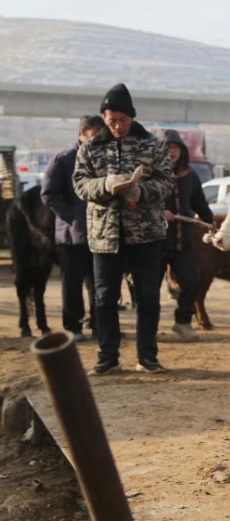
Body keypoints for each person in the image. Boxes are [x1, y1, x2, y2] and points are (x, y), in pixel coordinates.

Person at [73, 83, 175, 374]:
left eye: (122, 120)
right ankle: (107, 357)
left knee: (147, 297)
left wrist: (141, 192)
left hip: (146, 234)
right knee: (104, 298)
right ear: (104, 119)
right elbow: (79, 184)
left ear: (131, 117)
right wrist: (104, 185)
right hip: (106, 236)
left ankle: (147, 356)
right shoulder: (90, 148)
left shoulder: (152, 145)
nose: (117, 126)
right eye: (111, 120)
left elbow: (167, 181)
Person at [40, 114, 106, 341]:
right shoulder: (64, 160)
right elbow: (48, 194)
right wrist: (73, 216)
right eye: (93, 134)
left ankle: (99, 325)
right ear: (81, 134)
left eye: (101, 134)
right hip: (72, 236)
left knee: (100, 284)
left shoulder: (104, 160)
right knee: (72, 284)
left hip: (101, 234)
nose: (98, 138)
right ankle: (73, 327)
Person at [160, 129, 213, 341]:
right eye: (167, 148)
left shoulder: (190, 176)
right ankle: (147, 328)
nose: (172, 152)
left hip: (183, 242)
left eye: (175, 148)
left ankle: (182, 321)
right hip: (157, 241)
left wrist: (210, 223)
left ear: (182, 151)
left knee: (191, 281)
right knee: (150, 287)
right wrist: (159, 212)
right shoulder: (151, 173)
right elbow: (141, 202)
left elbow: (199, 202)